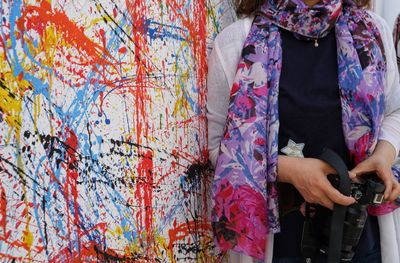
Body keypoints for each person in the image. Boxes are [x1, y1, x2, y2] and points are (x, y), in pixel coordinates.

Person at [207, 0, 400, 262]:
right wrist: (289, 170)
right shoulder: (235, 43)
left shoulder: (371, 32)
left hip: (359, 235)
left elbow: (395, 112)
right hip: (280, 240)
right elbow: (219, 148)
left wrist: (384, 154)